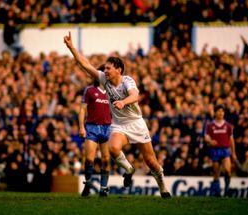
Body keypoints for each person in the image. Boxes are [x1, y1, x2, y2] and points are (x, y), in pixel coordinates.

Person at [64, 32, 171, 198]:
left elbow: (135, 95)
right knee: (113, 148)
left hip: (136, 122)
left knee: (151, 161)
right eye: (104, 69)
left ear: (118, 70)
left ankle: (163, 187)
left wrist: (123, 102)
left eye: (108, 68)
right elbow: (85, 65)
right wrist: (71, 47)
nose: (104, 71)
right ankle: (129, 169)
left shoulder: (127, 80)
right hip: (119, 124)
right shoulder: (104, 80)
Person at [79, 71, 111, 197]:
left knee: (106, 160)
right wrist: (81, 126)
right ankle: (87, 184)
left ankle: (103, 188)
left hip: (107, 128)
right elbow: (82, 109)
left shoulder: (111, 92)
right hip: (92, 127)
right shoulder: (90, 90)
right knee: (89, 159)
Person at [205, 104, 237, 197]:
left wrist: (234, 153)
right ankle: (217, 192)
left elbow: (231, 140)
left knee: (227, 170)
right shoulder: (210, 126)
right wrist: (210, 141)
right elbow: (206, 137)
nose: (221, 113)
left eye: (222, 111)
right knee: (216, 172)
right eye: (219, 111)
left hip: (225, 150)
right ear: (215, 113)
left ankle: (227, 190)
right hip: (215, 150)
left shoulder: (228, 126)